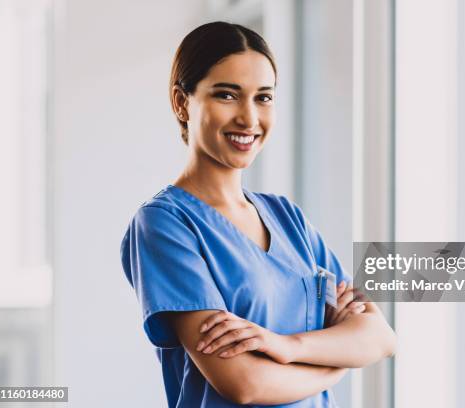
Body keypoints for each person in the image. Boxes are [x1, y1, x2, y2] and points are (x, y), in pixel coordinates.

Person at [120, 21, 396, 407]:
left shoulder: (288, 219)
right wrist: (336, 361)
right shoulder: (165, 225)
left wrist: (285, 346)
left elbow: (380, 337)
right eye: (227, 95)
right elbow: (244, 384)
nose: (249, 119)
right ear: (182, 102)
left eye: (263, 98)